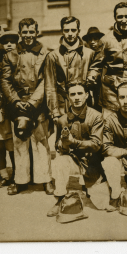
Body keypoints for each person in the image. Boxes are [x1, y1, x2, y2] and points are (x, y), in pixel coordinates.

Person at [1, 18, 54, 195]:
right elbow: (5, 80)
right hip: (18, 104)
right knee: (20, 142)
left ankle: (45, 179)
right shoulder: (11, 54)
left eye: (32, 32)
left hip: (37, 104)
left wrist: (32, 102)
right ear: (20, 33)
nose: (28, 36)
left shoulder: (45, 53)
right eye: (25, 32)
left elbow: (46, 80)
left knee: (40, 142)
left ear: (36, 32)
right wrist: (16, 101)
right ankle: (20, 180)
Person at [47, 81, 108, 217]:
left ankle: (89, 186)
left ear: (86, 95)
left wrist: (72, 142)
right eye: (72, 94)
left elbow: (96, 144)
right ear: (68, 97)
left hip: (93, 164)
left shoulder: (96, 116)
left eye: (80, 93)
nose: (77, 97)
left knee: (103, 205)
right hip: (74, 160)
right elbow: (59, 147)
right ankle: (60, 198)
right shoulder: (62, 120)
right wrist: (64, 143)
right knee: (60, 161)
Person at [44, 16, 101, 124]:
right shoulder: (53, 56)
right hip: (63, 106)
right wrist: (55, 112)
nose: (70, 33)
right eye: (66, 30)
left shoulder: (89, 54)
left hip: (86, 104)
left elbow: (97, 85)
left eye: (73, 30)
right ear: (62, 31)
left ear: (79, 31)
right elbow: (50, 87)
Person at [0, 30, 18, 188]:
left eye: (12, 42)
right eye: (6, 42)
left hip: (13, 107)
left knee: (13, 145)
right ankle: (4, 175)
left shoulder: (19, 58)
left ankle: (16, 174)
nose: (9, 45)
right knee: (0, 144)